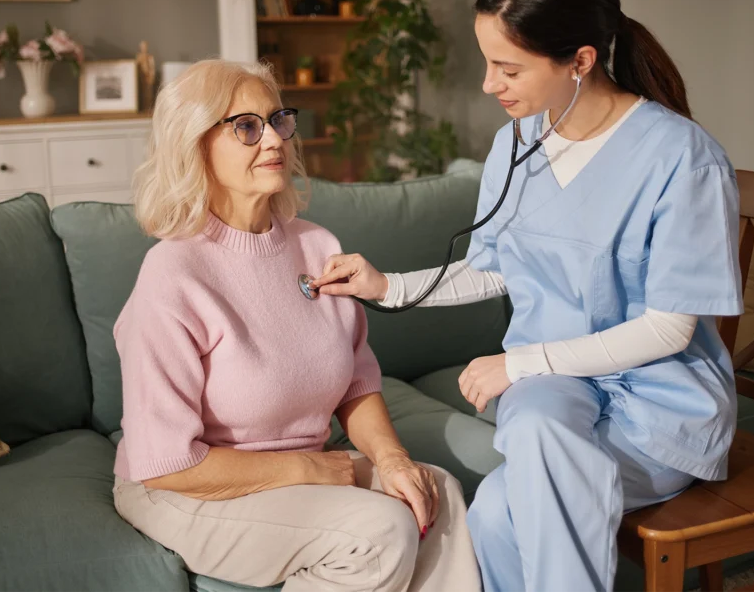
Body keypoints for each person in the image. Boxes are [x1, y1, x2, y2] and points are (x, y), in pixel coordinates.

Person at [310, 0, 743, 592]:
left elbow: (670, 328)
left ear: (581, 61)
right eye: (489, 63)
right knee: (538, 427)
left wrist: (521, 364)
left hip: (658, 409)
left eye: (507, 68)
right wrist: (387, 286)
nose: (489, 85)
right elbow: (495, 268)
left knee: (496, 509)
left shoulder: (682, 157)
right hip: (557, 395)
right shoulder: (514, 142)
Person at [111, 59, 482, 592]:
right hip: (183, 489)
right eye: (246, 126)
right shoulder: (173, 273)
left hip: (292, 471)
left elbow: (357, 384)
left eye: (277, 120)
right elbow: (167, 463)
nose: (273, 140)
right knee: (381, 530)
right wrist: (305, 469)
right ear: (195, 145)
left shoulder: (315, 246)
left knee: (434, 494)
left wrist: (393, 460)